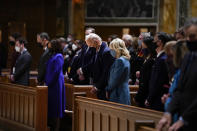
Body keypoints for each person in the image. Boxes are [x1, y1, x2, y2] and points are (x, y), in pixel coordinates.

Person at [157, 18, 197, 131]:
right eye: (187, 36)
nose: (189, 40)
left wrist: (184, 119)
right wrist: (169, 112)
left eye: (193, 36)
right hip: (182, 121)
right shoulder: (189, 57)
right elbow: (179, 89)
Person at [78, 33, 115, 100]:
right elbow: (92, 63)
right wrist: (82, 69)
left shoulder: (106, 52)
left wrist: (98, 87)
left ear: (95, 41)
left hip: (103, 87)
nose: (90, 47)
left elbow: (106, 73)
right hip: (98, 85)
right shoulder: (98, 49)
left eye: (90, 44)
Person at [161, 41, 188, 124]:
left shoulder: (185, 72)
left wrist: (169, 100)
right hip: (174, 116)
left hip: (183, 119)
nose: (167, 60)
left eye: (171, 56)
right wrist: (169, 97)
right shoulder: (178, 72)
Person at [145, 32, 170, 111]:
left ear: (159, 42)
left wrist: (149, 98)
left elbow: (157, 81)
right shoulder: (159, 57)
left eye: (154, 41)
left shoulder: (162, 59)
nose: (153, 43)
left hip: (158, 98)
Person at [45, 39, 66, 131]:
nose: (48, 47)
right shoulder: (53, 55)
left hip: (56, 84)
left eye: (49, 45)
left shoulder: (59, 56)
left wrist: (49, 82)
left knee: (56, 106)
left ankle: (56, 128)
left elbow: (56, 71)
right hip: (51, 83)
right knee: (51, 106)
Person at [106, 38, 131, 105]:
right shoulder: (126, 59)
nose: (110, 50)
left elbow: (114, 79)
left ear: (116, 49)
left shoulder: (119, 61)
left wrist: (107, 89)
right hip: (123, 90)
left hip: (118, 92)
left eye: (111, 48)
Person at [134, 36, 156, 107]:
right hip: (143, 90)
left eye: (143, 47)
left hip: (146, 93)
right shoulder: (147, 57)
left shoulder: (152, 60)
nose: (142, 49)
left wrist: (138, 96)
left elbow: (146, 80)